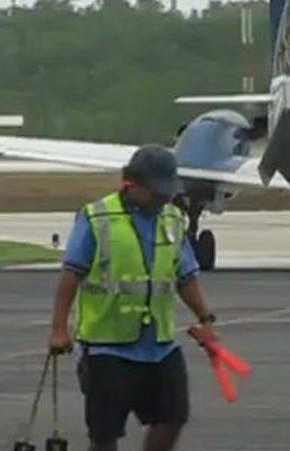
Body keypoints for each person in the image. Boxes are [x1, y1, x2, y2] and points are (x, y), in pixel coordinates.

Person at [48, 143, 217, 451]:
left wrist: (205, 318)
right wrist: (59, 329)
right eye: (157, 190)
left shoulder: (173, 220)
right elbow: (71, 274)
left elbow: (186, 276)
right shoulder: (97, 218)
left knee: (173, 417)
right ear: (131, 184)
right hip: (107, 348)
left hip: (160, 346)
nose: (164, 197)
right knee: (105, 435)